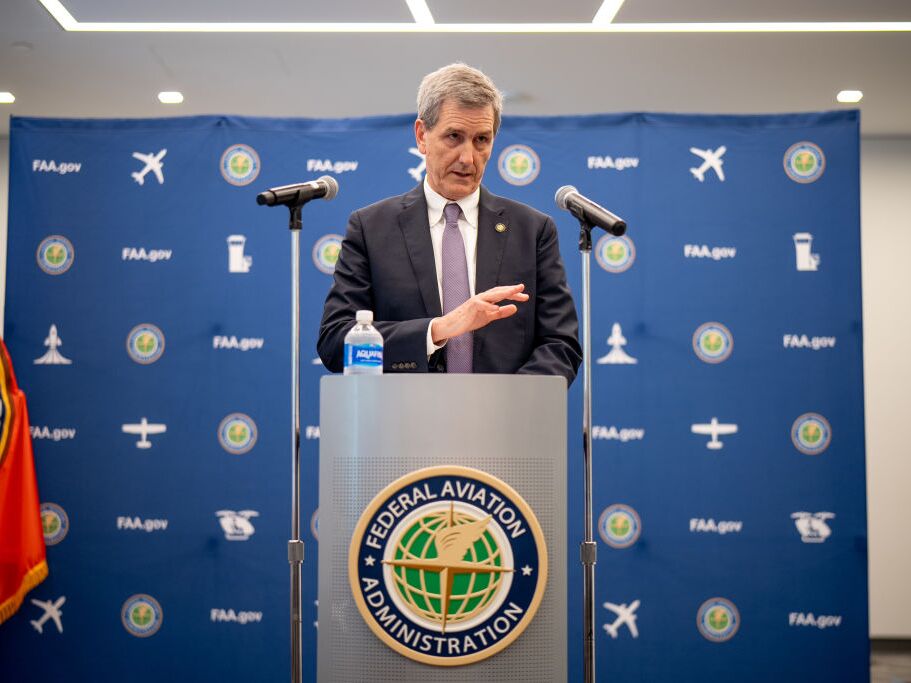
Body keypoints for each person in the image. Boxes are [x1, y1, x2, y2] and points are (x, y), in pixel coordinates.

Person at [318, 63, 582, 385]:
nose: (468, 158)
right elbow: (336, 341)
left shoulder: (533, 231)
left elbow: (561, 344)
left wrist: (508, 404)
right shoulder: (371, 228)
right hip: (402, 425)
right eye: (454, 137)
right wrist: (439, 329)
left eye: (481, 139)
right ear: (421, 136)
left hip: (504, 427)